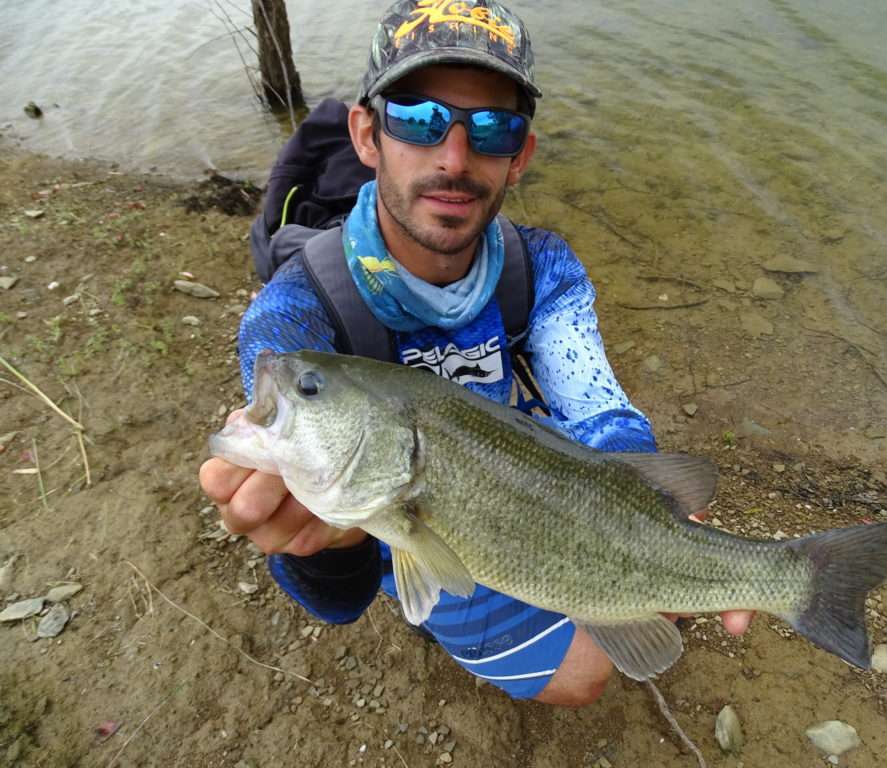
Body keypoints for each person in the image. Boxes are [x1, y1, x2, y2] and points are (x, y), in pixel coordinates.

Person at [200, 0, 752, 707]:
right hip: (412, 523)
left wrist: (648, 527)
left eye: (491, 128)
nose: (453, 159)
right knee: (586, 674)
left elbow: (601, 413)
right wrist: (330, 547)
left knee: (625, 604)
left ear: (519, 156)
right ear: (367, 134)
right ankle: (447, 620)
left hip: (530, 493)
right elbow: (335, 603)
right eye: (419, 121)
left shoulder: (542, 268)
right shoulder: (293, 316)